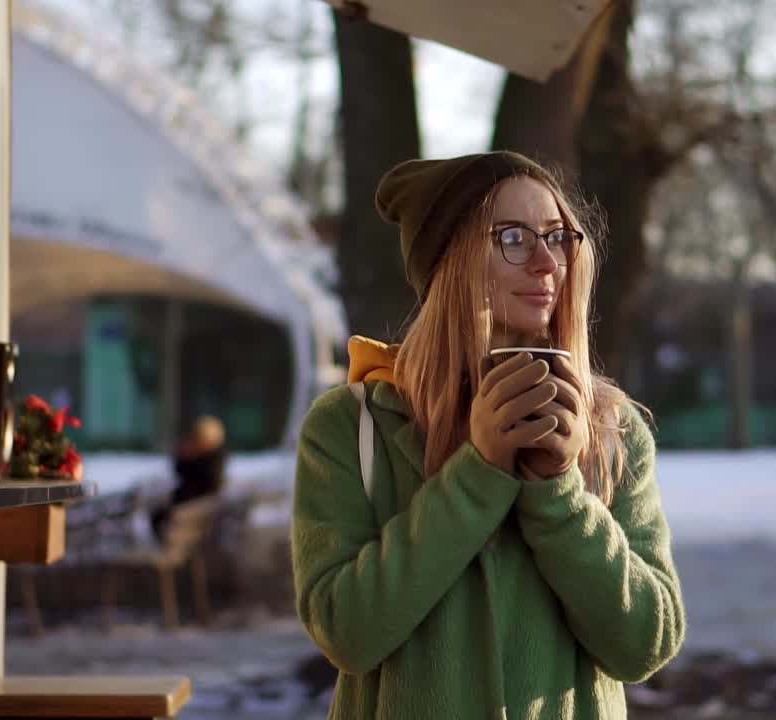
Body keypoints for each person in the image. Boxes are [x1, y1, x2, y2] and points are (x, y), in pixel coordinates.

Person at [291, 151, 685, 719]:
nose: (547, 263)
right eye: (513, 238)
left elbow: (645, 644)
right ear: (448, 259)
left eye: (557, 237)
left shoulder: (610, 428)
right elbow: (346, 634)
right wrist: (478, 473)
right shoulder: (351, 427)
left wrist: (560, 494)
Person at [152, 415, 226, 541]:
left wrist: (191, 458)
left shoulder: (214, 458)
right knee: (158, 515)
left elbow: (209, 481)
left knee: (173, 518)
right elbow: (179, 472)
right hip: (186, 499)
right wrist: (184, 456)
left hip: (200, 502)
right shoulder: (195, 453)